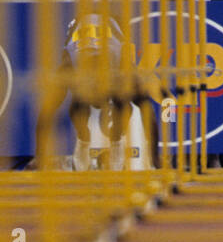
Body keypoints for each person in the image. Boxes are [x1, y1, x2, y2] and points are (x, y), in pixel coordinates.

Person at [41, 14, 159, 171]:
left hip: (111, 63)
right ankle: (84, 138)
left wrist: (155, 158)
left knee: (123, 103)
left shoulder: (123, 67)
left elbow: (147, 108)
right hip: (85, 67)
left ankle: (116, 141)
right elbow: (47, 112)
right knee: (77, 106)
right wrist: (40, 157)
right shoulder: (70, 66)